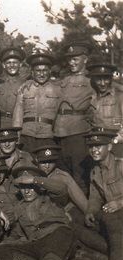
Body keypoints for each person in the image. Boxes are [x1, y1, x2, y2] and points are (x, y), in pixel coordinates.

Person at [0, 165, 74, 260]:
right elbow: (16, 235)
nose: (27, 191)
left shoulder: (50, 197)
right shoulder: (18, 208)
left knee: (51, 251)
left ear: (38, 186)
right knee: (2, 250)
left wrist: (34, 179)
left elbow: (62, 188)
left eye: (30, 186)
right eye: (23, 187)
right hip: (36, 244)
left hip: (56, 235)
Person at [33, 145, 107, 254]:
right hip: (53, 216)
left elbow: (81, 201)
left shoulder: (62, 176)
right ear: (36, 161)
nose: (47, 166)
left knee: (93, 224)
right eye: (43, 162)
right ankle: (110, 250)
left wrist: (90, 214)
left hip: (70, 210)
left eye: (50, 161)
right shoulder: (33, 175)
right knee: (78, 230)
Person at [54, 41, 94, 195]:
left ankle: (86, 214)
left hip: (78, 133)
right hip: (59, 132)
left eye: (75, 59)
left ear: (85, 59)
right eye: (70, 59)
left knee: (80, 176)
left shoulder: (92, 81)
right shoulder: (63, 80)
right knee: (64, 174)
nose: (72, 62)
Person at [84, 129, 123, 260]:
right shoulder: (94, 171)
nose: (94, 150)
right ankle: (117, 252)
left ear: (110, 146)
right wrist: (90, 211)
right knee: (79, 228)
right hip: (114, 216)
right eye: (91, 146)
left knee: (109, 217)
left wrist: (119, 203)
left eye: (99, 146)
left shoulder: (121, 164)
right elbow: (95, 196)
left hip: (118, 211)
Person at [12, 52, 62, 153]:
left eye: (45, 70)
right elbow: (18, 116)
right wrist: (16, 138)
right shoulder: (24, 89)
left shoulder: (58, 90)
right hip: (27, 135)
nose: (42, 74)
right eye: (38, 71)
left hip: (48, 136)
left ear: (50, 71)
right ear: (32, 72)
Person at [87, 61, 123, 158]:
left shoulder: (119, 96)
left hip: (115, 143)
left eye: (106, 79)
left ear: (111, 79)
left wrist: (117, 139)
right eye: (98, 79)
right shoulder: (91, 96)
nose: (102, 83)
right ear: (93, 79)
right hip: (96, 142)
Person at [0, 47, 27, 127]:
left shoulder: (26, 84)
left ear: (20, 64)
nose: (12, 65)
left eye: (15, 62)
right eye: (8, 63)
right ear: (3, 65)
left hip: (17, 123)